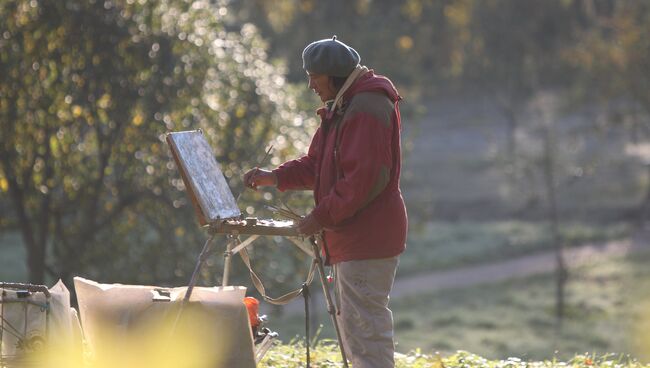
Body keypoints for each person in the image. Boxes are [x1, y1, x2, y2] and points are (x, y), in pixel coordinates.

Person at [243, 35, 407, 368]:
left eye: (314, 77)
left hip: (368, 238)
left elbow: (362, 181)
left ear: (332, 76)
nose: (310, 85)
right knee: (357, 327)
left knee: (366, 329)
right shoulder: (344, 105)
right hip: (356, 237)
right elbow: (320, 164)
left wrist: (319, 216)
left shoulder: (366, 108)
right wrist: (275, 177)